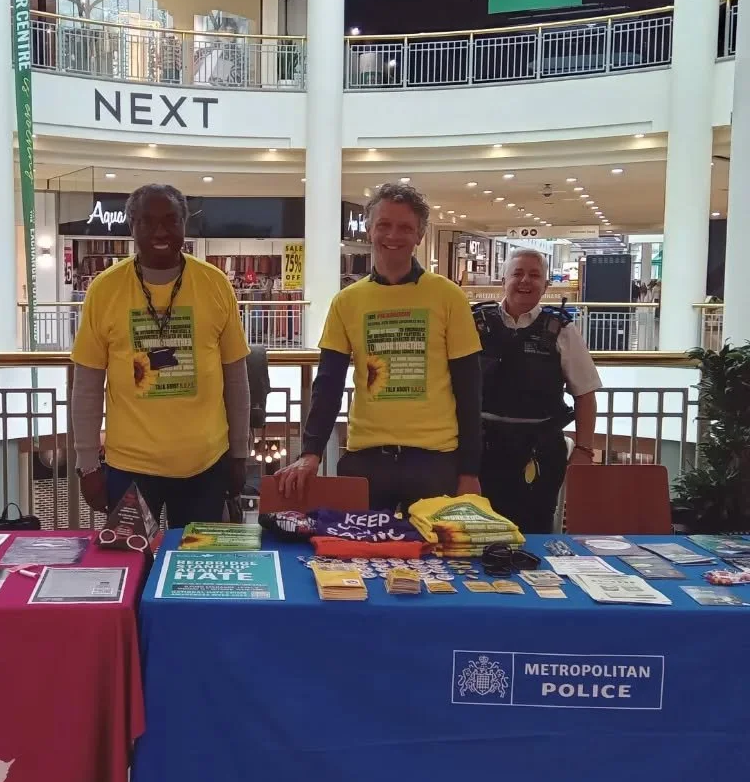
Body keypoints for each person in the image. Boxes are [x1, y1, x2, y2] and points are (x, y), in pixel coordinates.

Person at [276, 183, 482, 511]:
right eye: (384, 225)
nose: (393, 235)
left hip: (434, 461)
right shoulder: (347, 301)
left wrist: (470, 470)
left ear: (420, 235)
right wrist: (310, 453)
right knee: (354, 545)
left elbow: (469, 389)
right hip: (366, 459)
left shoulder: (449, 297)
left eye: (405, 227)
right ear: (369, 229)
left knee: (434, 546)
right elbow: (328, 383)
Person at [71, 184, 251, 527]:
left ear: (185, 224)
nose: (160, 231)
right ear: (131, 226)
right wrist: (88, 465)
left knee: (196, 563)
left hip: (205, 465)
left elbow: (236, 378)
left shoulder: (215, 284)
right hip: (130, 469)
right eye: (147, 221)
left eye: (171, 220)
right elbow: (87, 386)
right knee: (132, 558)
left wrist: (239, 453)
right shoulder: (104, 290)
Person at [473, 248, 601, 533]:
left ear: (546, 285)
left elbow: (585, 394)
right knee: (479, 531)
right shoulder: (475, 324)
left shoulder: (561, 329)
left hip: (540, 450)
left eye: (534, 275)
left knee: (535, 530)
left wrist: (583, 450)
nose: (525, 281)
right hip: (482, 449)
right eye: (517, 273)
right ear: (503, 280)